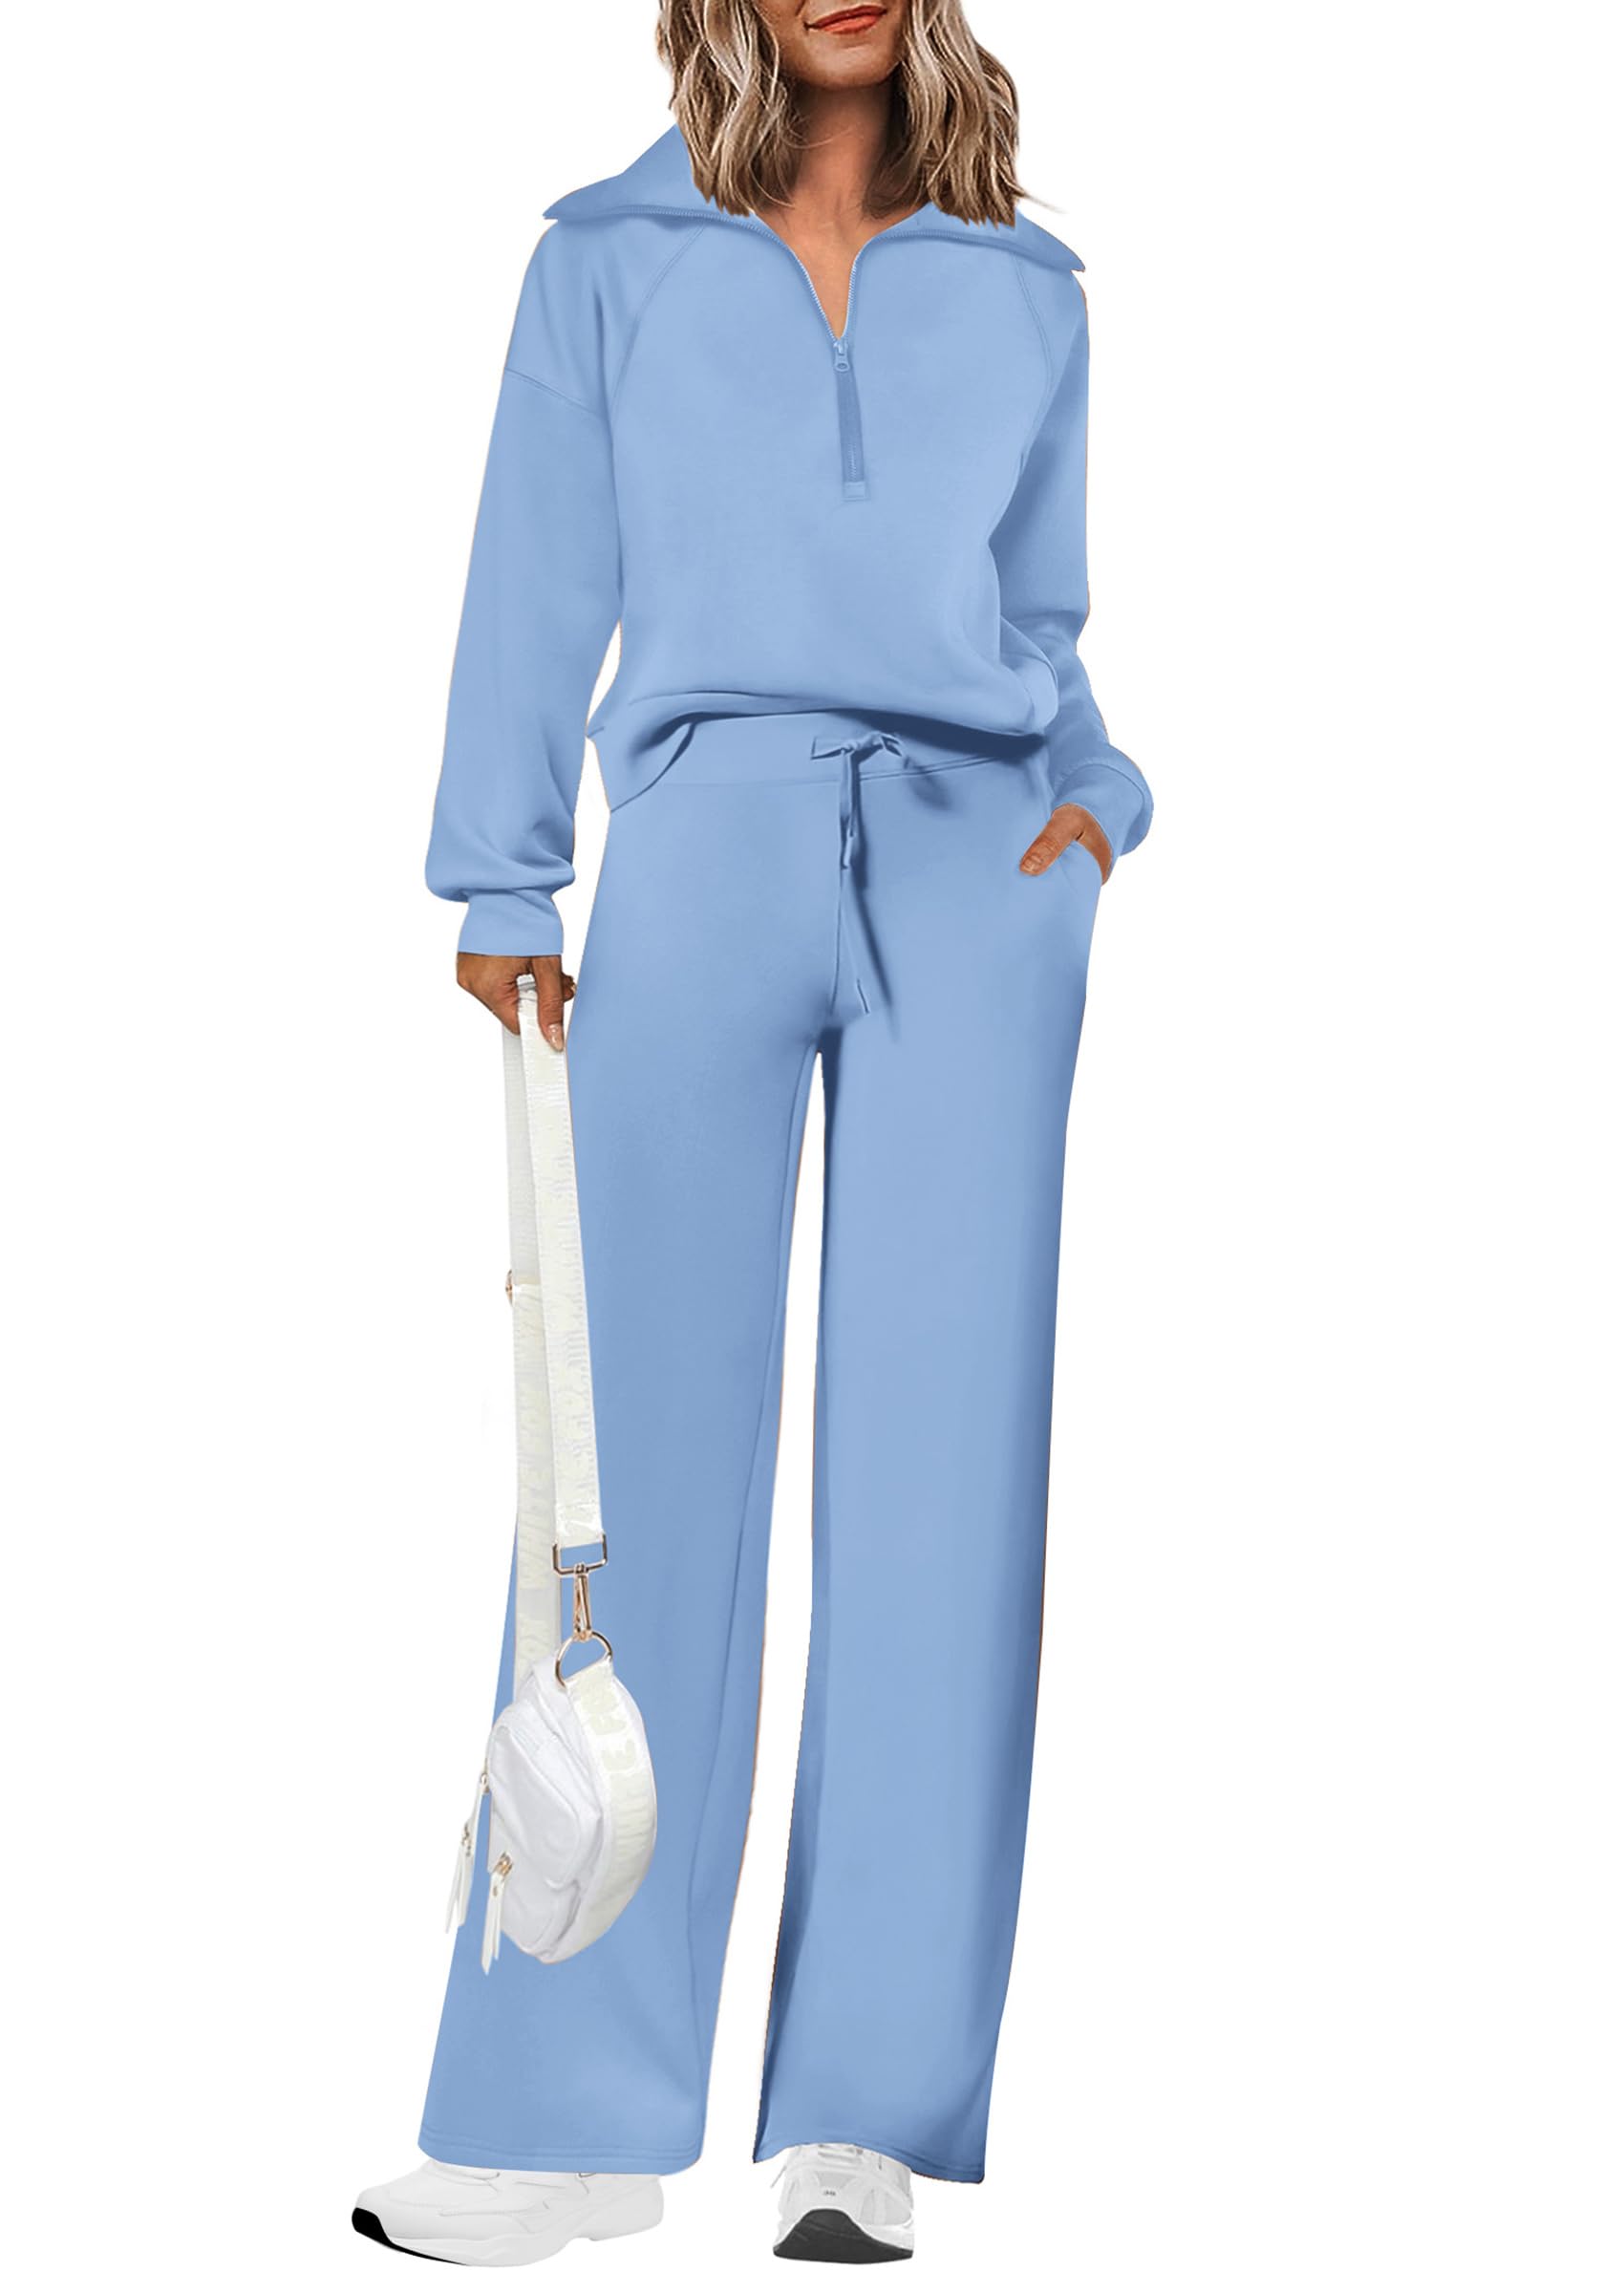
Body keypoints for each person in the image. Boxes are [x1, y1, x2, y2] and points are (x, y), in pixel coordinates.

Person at [356, 0, 1151, 2264]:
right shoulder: (604, 257)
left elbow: (1038, 616)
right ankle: (561, 2116)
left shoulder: (1025, 283)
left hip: (978, 878)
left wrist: (1091, 806)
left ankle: (861, 2111)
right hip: (700, 848)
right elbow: (535, 570)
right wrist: (502, 875)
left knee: (940, 1495)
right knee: (617, 1487)